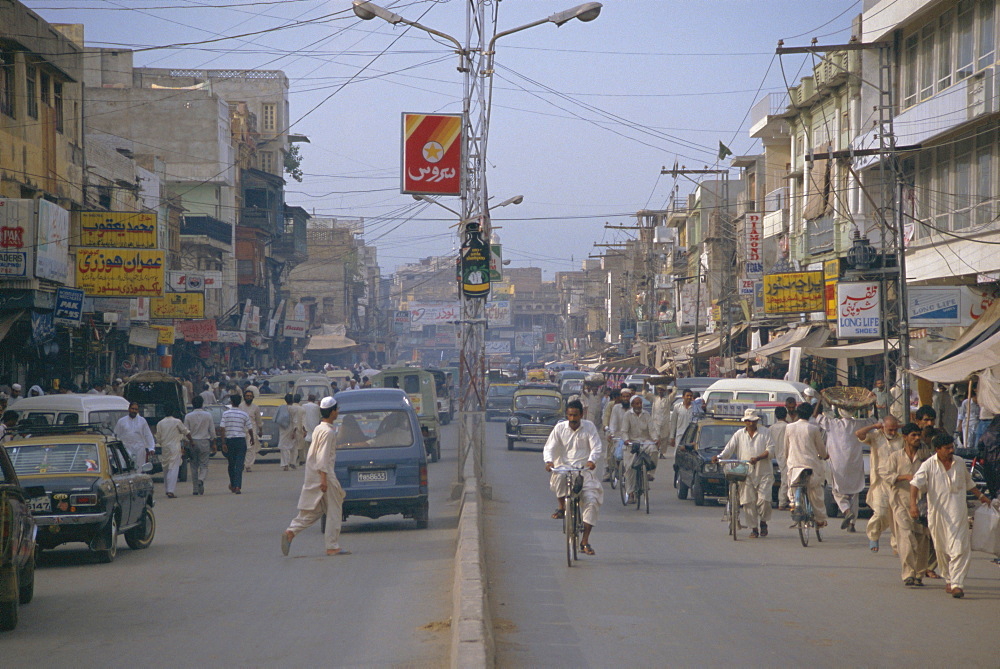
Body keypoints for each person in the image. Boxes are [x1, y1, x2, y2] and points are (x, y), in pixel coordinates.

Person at [910, 432, 995, 598]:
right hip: (937, 515)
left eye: (952, 447)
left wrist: (981, 496)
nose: (951, 450)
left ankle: (957, 583)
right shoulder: (928, 465)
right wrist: (912, 505)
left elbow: (968, 482)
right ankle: (949, 579)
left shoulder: (959, 462)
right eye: (947, 448)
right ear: (937, 449)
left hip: (958, 514)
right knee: (942, 549)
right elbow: (915, 484)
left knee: (960, 548)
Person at [282, 396, 350, 557]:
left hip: (314, 474)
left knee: (316, 510)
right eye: (337, 409)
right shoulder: (328, 432)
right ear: (333, 412)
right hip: (324, 474)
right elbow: (323, 457)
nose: (338, 412)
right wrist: (324, 480)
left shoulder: (320, 428)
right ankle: (332, 546)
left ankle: (292, 531)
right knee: (334, 510)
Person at [543, 399, 604, 556]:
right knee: (558, 477)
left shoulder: (589, 427)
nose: (572, 419)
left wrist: (592, 460)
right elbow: (549, 447)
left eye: (575, 415)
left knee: (592, 501)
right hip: (565, 468)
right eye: (570, 415)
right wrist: (548, 461)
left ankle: (584, 541)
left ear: (581, 415)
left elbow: (596, 446)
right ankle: (562, 506)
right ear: (566, 415)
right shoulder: (559, 428)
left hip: (584, 470)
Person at [713, 408, 774, 538]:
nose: (750, 423)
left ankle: (763, 522)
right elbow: (728, 450)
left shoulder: (765, 432)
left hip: (764, 473)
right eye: (748, 421)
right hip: (745, 473)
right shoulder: (739, 434)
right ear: (745, 422)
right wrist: (719, 457)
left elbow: (771, 450)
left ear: (757, 420)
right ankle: (754, 528)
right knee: (748, 502)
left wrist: (758, 457)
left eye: (753, 421)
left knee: (764, 501)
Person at [887, 423, 932, 587]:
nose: (917, 438)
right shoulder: (895, 456)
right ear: (905, 437)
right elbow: (887, 475)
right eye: (913, 435)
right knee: (906, 537)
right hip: (901, 501)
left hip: (922, 503)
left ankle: (919, 574)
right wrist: (904, 477)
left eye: (918, 435)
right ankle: (908, 574)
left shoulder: (925, 456)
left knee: (922, 538)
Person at [816, 405, 873, 532]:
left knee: (838, 491)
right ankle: (852, 524)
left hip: (837, 463)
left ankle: (846, 511)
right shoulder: (859, 424)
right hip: (855, 463)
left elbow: (816, 416)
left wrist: (820, 399)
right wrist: (872, 403)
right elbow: (874, 419)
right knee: (854, 492)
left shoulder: (832, 423)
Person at [856, 415, 903, 553]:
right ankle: (874, 535)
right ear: (883, 427)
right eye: (890, 429)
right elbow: (859, 434)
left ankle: (897, 545)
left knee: (897, 514)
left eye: (895, 429)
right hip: (880, 481)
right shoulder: (876, 436)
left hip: (897, 480)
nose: (893, 432)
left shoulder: (901, 439)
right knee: (881, 512)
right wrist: (873, 426)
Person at [784, 402, 828, 527]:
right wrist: (825, 456)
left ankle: (793, 502)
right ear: (810, 415)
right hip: (811, 465)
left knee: (792, 484)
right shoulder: (813, 428)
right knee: (816, 492)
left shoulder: (789, 427)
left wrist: (788, 459)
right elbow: (821, 448)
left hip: (794, 463)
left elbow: (786, 447)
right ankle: (820, 519)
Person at [621, 394, 659, 501]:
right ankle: (631, 492)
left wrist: (655, 439)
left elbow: (652, 430)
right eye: (636, 403)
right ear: (632, 404)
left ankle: (649, 473)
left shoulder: (646, 414)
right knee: (629, 468)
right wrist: (626, 440)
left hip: (644, 442)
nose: (639, 405)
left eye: (640, 403)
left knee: (654, 450)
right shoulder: (627, 415)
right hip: (632, 443)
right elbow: (624, 431)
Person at [184, 396, 216, 496]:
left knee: (193, 466)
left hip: (192, 442)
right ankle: (201, 479)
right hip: (204, 442)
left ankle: (195, 489)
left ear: (193, 404)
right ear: (202, 403)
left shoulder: (188, 416)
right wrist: (213, 442)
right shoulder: (208, 415)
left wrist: (185, 444)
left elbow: (186, 432)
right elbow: (212, 431)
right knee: (204, 465)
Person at [221, 394, 253, 494]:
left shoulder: (225, 414)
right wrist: (252, 438)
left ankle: (233, 484)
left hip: (230, 441)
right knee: (239, 464)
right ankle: (238, 486)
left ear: (231, 401)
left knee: (231, 464)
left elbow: (222, 428)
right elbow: (250, 428)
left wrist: (223, 443)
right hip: (240, 441)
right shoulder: (244, 414)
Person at [156, 410, 192, 498]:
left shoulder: (160, 423)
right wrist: (192, 441)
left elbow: (158, 438)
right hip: (175, 447)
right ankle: (170, 490)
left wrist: (163, 443)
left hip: (165, 447)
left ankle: (167, 489)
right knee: (173, 468)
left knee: (166, 468)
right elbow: (186, 432)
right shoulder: (177, 421)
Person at [114, 402, 155, 470]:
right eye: (132, 409)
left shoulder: (142, 421)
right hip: (126, 448)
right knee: (125, 467)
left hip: (139, 448)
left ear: (138, 411)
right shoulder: (121, 421)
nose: (134, 411)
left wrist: (151, 447)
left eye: (136, 409)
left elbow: (148, 435)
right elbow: (116, 435)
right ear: (129, 409)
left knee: (139, 468)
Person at [771, 406, 792, 510]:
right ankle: (782, 502)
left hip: (774, 456)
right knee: (786, 479)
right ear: (786, 414)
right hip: (786, 455)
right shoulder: (788, 426)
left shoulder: (771, 428)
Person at [646, 383, 674, 459]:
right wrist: (644, 383)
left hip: (665, 422)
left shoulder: (667, 399)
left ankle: (662, 453)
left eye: (662, 390)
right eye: (659, 390)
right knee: (656, 437)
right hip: (655, 422)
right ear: (657, 391)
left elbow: (674, 392)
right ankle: (656, 451)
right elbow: (644, 394)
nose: (660, 391)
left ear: (664, 391)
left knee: (664, 438)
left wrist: (674, 382)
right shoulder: (654, 399)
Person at [276, 393, 303, 471]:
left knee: (284, 447)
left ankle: (285, 464)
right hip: (291, 429)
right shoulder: (294, 409)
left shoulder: (281, 408)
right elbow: (295, 421)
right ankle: (292, 462)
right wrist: (294, 432)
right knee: (293, 447)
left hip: (283, 429)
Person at [239, 388, 263, 473]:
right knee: (242, 448)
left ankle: (248, 465)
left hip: (252, 430)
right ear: (244, 397)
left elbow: (258, 420)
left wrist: (260, 430)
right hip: (241, 430)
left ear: (253, 397)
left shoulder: (255, 407)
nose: (248, 397)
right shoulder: (240, 406)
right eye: (247, 396)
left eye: (250, 396)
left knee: (250, 448)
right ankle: (242, 463)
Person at [667, 389, 696, 455]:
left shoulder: (695, 407)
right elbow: (673, 423)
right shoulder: (677, 407)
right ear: (683, 397)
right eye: (687, 395)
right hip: (680, 435)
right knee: (678, 455)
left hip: (692, 436)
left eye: (690, 396)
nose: (689, 397)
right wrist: (672, 437)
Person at [300, 393, 321, 467]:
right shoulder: (317, 407)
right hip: (315, 428)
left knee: (306, 447)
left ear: (308, 399)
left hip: (306, 428)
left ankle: (307, 460)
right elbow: (319, 417)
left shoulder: (303, 406)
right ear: (314, 400)